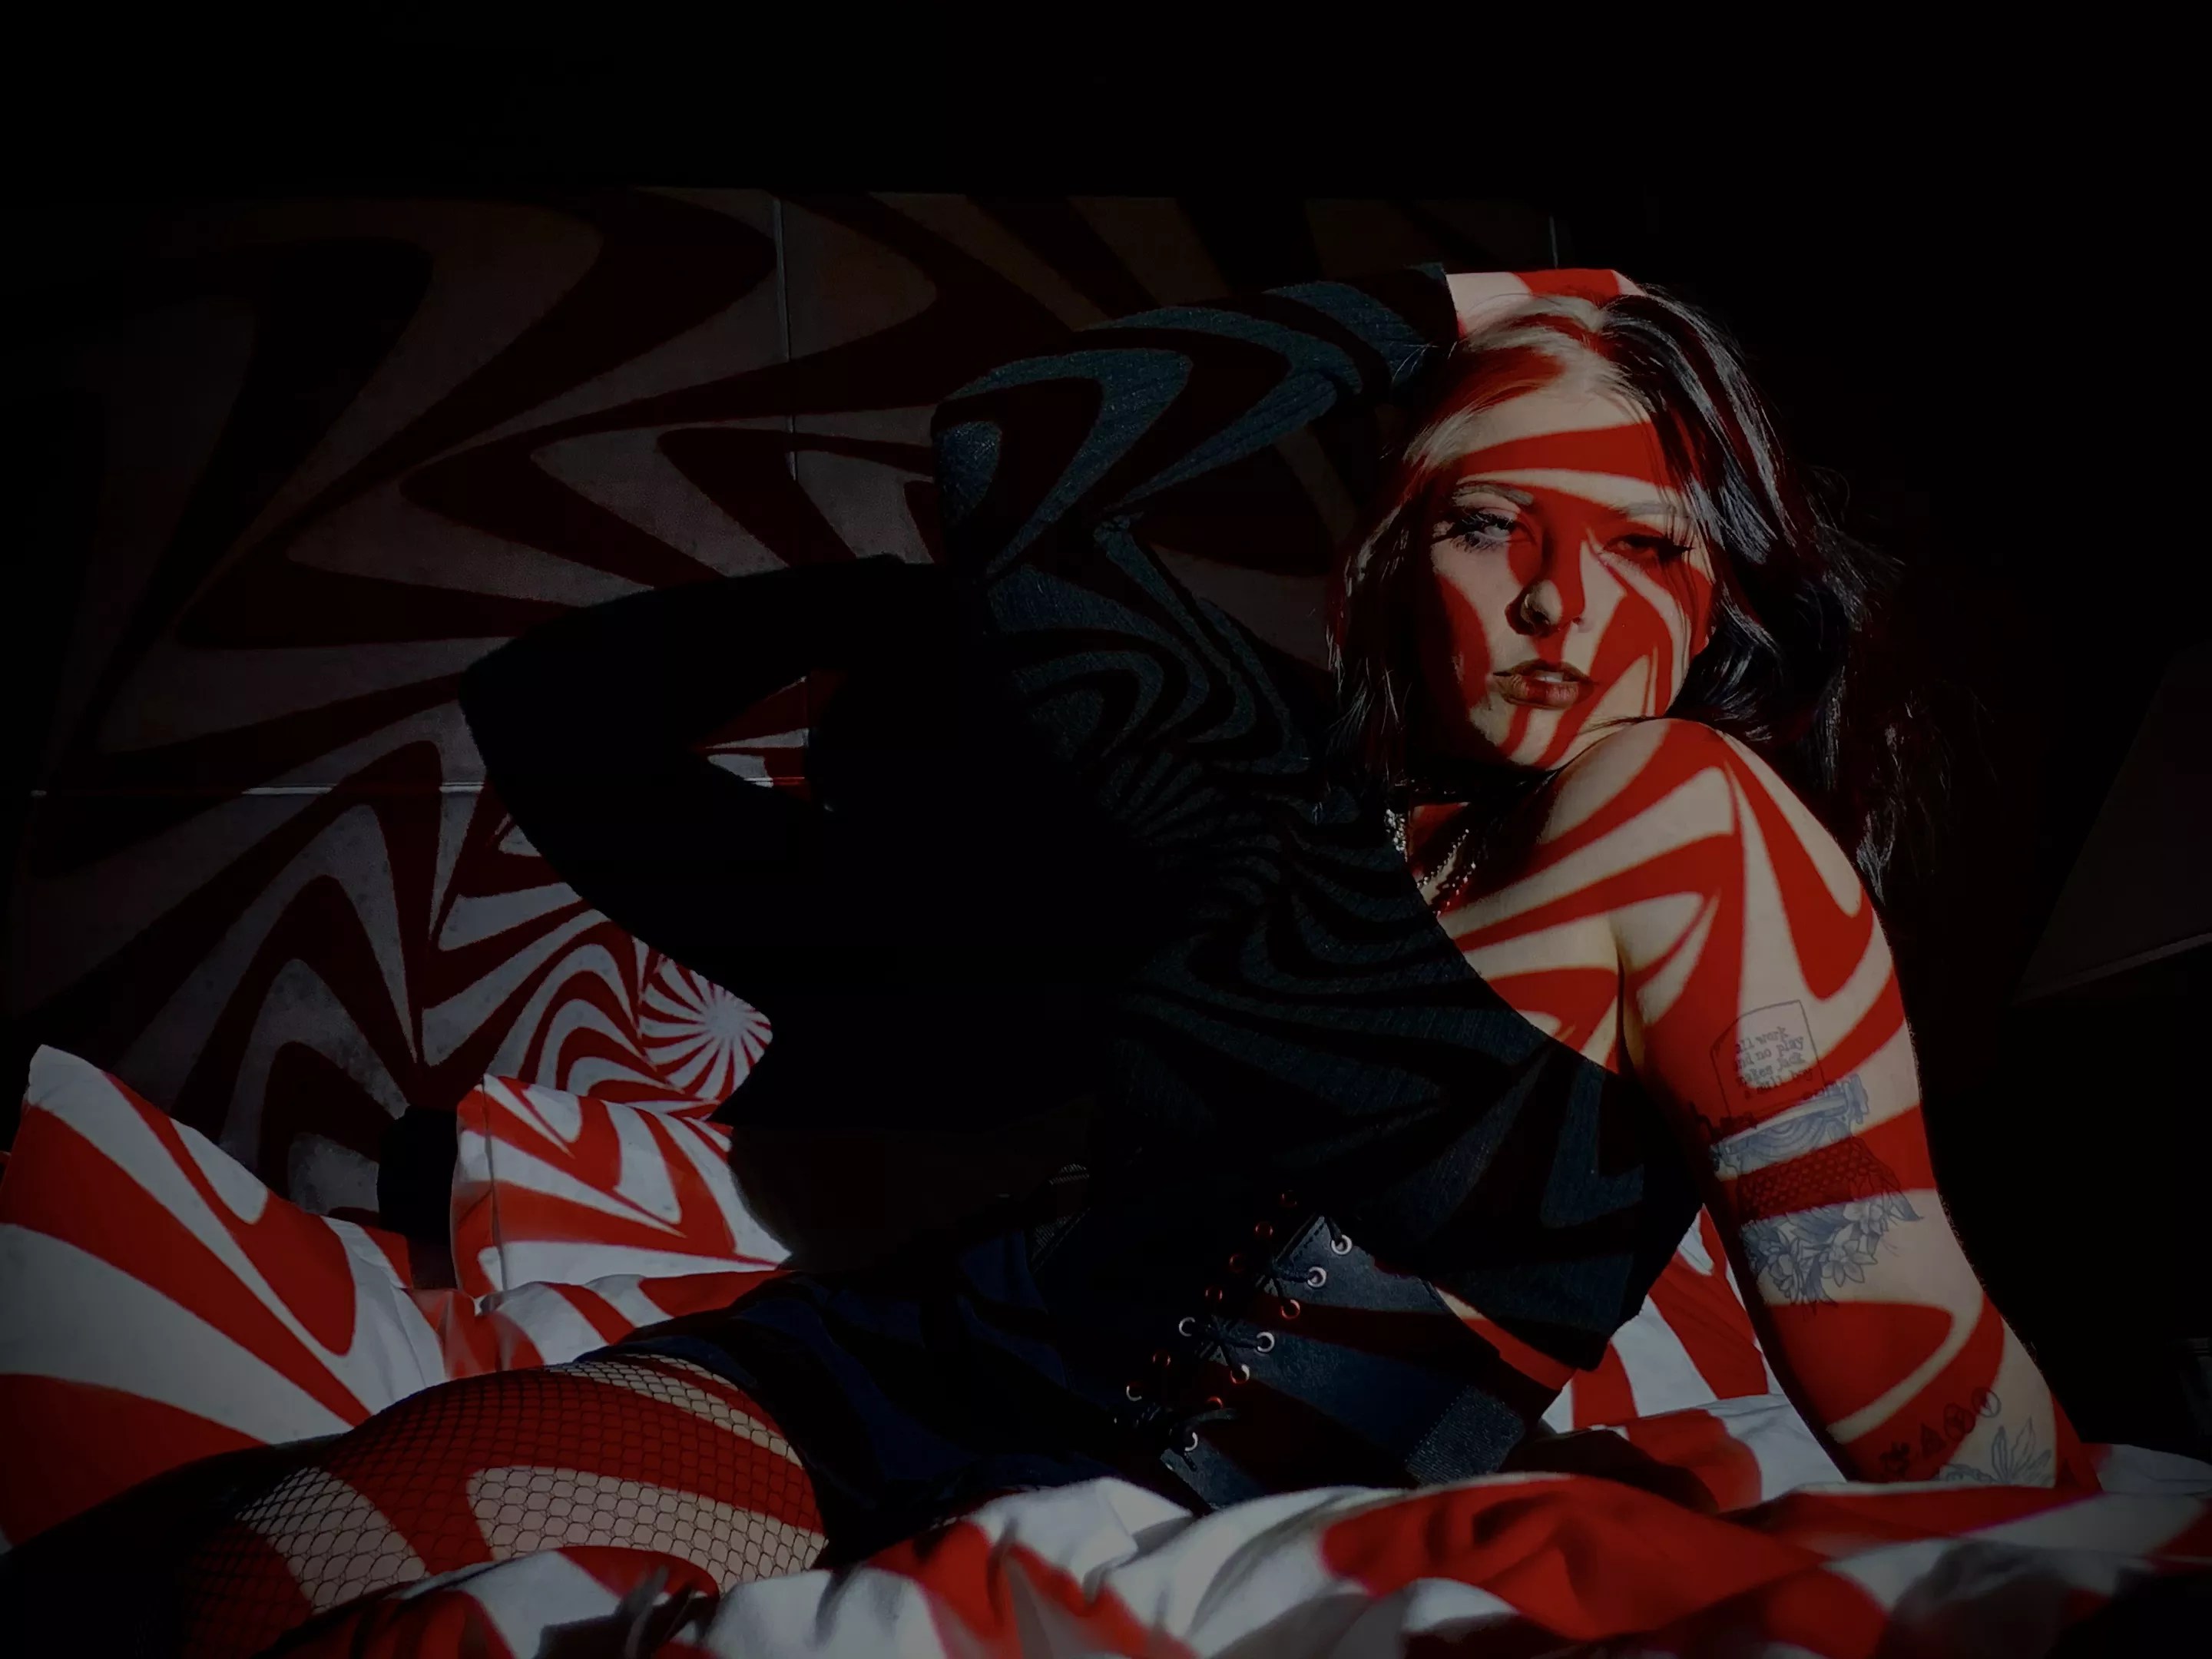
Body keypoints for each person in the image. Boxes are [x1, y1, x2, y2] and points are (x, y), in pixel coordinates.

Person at [159, 263, 2091, 1653]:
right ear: (1382, 568)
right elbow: (1009, 453)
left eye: (1652, 548)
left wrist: (2128, 1546)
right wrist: (1463, 304)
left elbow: (1909, 1360)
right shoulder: (1262, 789)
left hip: (1169, 1519)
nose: (1562, 608)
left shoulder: (1684, 825)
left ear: (1720, 593)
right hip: (872, 1372)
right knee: (248, 1584)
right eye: (1495, 524)